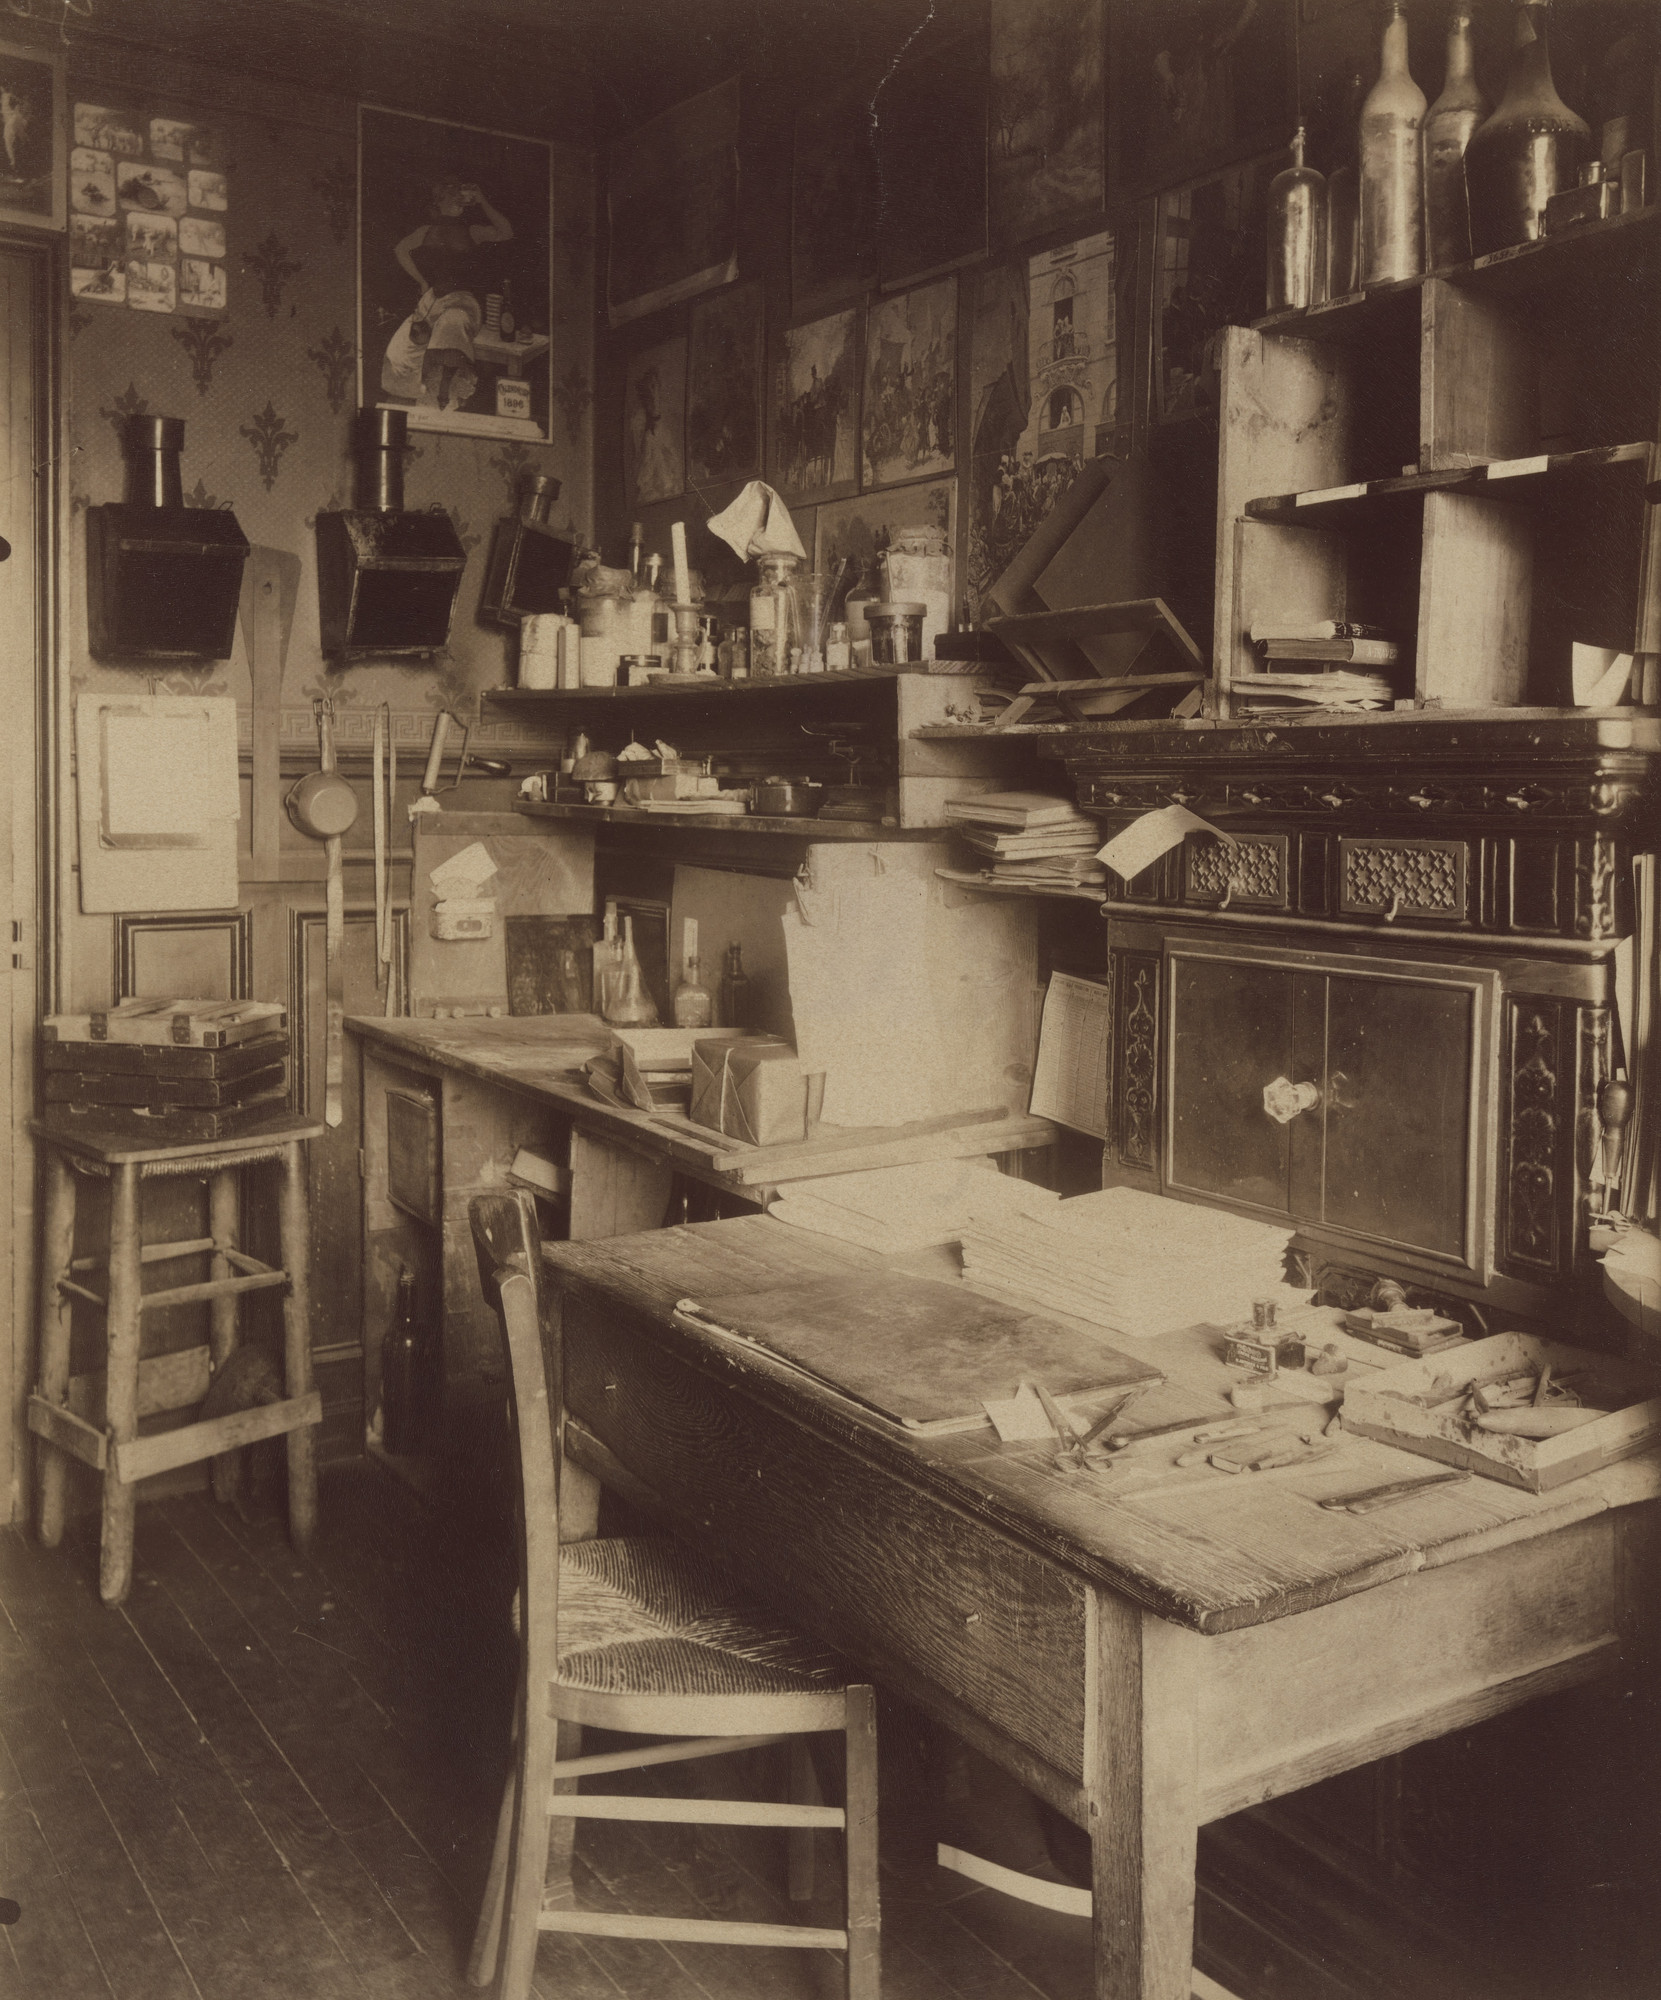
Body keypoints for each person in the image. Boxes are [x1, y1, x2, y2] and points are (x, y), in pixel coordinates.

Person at [381, 178, 513, 411]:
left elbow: (506, 232)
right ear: (439, 200)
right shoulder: (426, 231)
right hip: (433, 300)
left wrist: (482, 200)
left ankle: (444, 392)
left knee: (450, 324)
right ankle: (420, 395)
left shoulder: (472, 231)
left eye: (460, 194)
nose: (458, 198)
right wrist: (421, 281)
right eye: (451, 194)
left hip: (463, 302)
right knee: (401, 351)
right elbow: (400, 249)